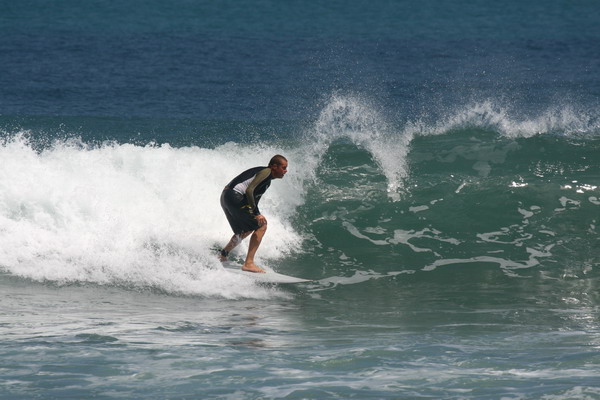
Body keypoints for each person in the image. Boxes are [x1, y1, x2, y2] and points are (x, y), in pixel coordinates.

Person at [219, 155, 288, 273]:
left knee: (245, 230)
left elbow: (253, 200)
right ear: (274, 166)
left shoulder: (267, 182)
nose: (285, 171)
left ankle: (223, 254)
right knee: (262, 225)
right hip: (235, 196)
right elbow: (249, 190)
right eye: (283, 167)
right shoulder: (266, 172)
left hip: (226, 197)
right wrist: (256, 213)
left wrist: (256, 213)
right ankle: (249, 263)